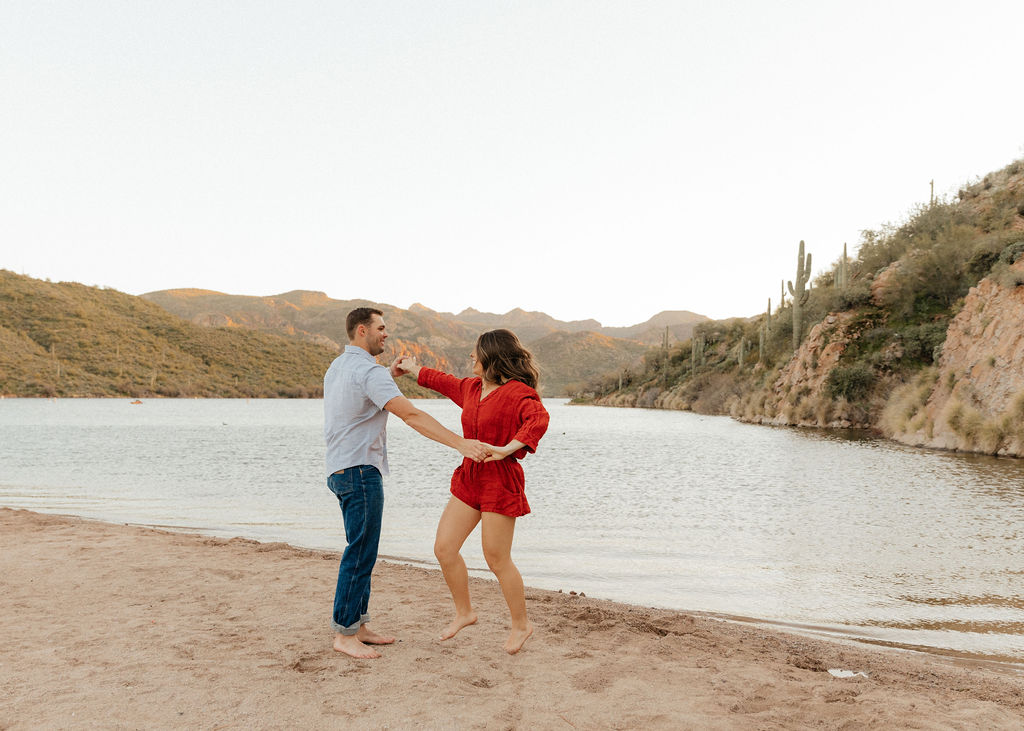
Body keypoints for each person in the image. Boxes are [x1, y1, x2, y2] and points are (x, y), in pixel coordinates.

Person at [324, 307, 491, 659]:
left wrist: (389, 374)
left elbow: (364, 391)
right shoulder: (369, 371)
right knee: (360, 552)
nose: (386, 334)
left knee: (363, 549)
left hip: (339, 470)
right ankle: (344, 633)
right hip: (360, 470)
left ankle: (359, 625)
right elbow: (412, 414)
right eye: (380, 328)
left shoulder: (340, 367)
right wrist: (460, 443)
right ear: (361, 331)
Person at [396, 329, 549, 654]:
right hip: (469, 478)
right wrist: (411, 368)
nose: (470, 358)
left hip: (499, 481)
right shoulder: (470, 388)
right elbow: (441, 380)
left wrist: (507, 449)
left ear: (491, 357)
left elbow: (538, 420)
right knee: (444, 548)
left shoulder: (519, 393)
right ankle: (465, 612)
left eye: (475, 353)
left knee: (496, 558)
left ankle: (522, 625)